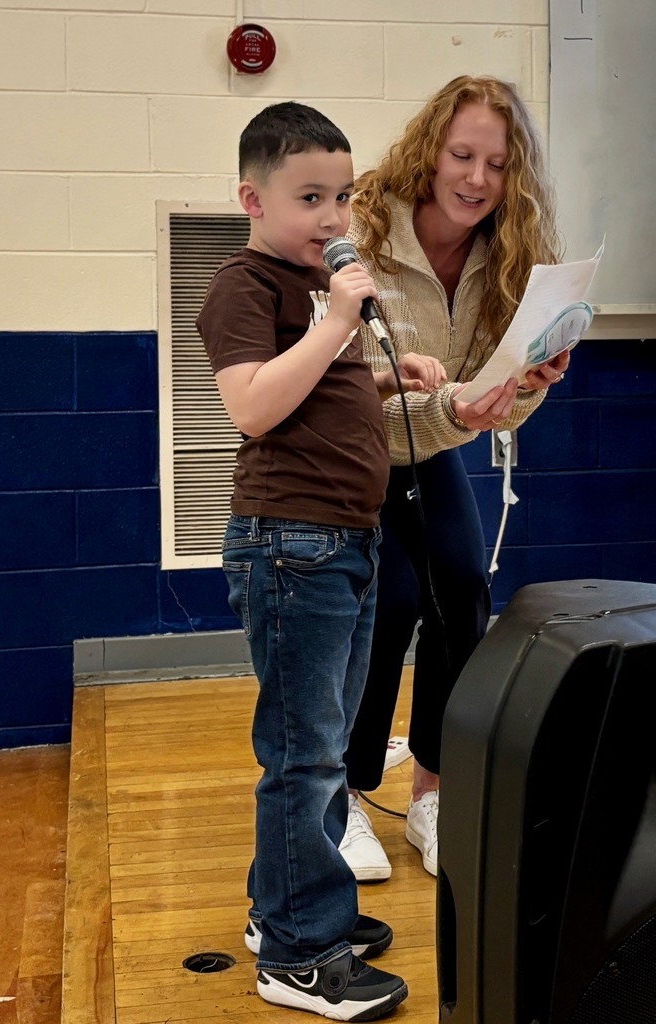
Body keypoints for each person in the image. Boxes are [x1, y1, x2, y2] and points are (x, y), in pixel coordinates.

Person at [195, 101, 445, 1020]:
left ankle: (285, 907)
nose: (334, 218)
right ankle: (301, 952)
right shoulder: (244, 288)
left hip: (346, 540)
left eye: (342, 196)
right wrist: (337, 324)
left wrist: (386, 372)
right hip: (290, 546)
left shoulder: (314, 299)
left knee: (328, 747)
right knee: (302, 756)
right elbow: (255, 407)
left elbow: (317, 392)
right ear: (252, 200)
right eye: (310, 198)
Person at [337, 76, 567, 881]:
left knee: (463, 588)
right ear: (431, 150)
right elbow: (346, 378)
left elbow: (484, 406)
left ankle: (433, 791)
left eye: (497, 164)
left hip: (426, 446)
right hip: (350, 452)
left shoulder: (507, 253)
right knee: (388, 602)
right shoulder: (362, 224)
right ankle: (346, 796)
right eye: (462, 155)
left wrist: (528, 386)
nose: (476, 179)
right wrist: (454, 406)